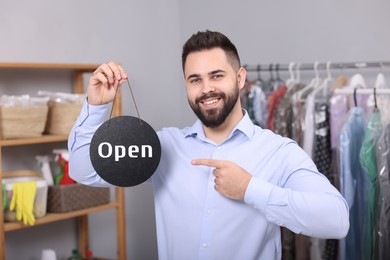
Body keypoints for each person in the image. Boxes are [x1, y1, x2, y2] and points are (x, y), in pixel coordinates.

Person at [68, 30, 349, 260]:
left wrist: (250, 189)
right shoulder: (162, 146)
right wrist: (96, 107)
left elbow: (336, 220)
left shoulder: (279, 151)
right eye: (195, 80)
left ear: (239, 78)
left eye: (217, 76)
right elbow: (84, 172)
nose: (206, 90)